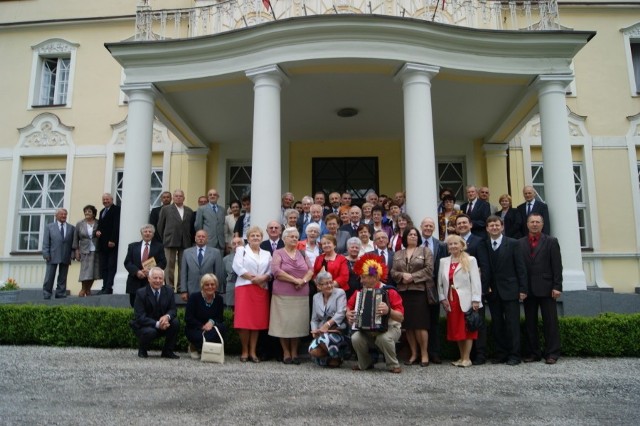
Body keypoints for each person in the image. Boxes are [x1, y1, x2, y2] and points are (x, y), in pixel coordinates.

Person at [480, 216, 527, 366]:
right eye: (491, 225)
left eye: (497, 225)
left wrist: (523, 288)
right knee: (497, 324)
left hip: (511, 289)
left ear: (502, 227)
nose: (494, 227)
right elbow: (485, 268)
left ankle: (514, 355)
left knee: (512, 324)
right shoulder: (484, 244)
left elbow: (521, 267)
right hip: (493, 292)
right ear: (487, 228)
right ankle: (501, 353)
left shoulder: (513, 243)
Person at [347, 253, 405, 374]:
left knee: (383, 338)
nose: (361, 281)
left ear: (374, 277)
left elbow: (400, 317)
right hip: (368, 330)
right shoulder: (360, 292)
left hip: (390, 328)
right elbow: (349, 306)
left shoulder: (390, 291)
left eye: (364, 277)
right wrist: (348, 313)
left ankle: (393, 365)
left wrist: (388, 311)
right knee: (356, 337)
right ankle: (365, 363)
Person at [519, 213, 562, 364]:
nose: (535, 224)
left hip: (547, 288)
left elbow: (557, 266)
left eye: (538, 222)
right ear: (527, 224)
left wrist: (557, 286)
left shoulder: (551, 241)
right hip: (528, 290)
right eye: (532, 222)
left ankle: (552, 353)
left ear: (542, 225)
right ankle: (533, 352)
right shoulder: (520, 243)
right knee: (530, 323)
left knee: (550, 322)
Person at [270, 227, 314, 364]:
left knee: (296, 324)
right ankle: (286, 352)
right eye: (292, 237)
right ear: (284, 239)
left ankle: (295, 353)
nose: (295, 239)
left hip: (301, 295)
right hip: (282, 295)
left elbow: (311, 270)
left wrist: (304, 280)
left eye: (296, 237)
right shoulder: (278, 253)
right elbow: (276, 271)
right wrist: (295, 280)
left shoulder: (302, 253)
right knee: (283, 324)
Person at [390, 227, 434, 367]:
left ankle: (424, 353)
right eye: (410, 234)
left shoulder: (425, 251)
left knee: (420, 325)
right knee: (408, 325)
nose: (413, 236)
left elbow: (429, 270)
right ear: (405, 237)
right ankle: (414, 353)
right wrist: (402, 276)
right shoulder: (398, 253)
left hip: (419, 291)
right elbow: (393, 271)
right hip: (403, 292)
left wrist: (413, 277)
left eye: (415, 234)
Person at [437, 235, 482, 368]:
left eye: (455, 244)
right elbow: (440, 283)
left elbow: (475, 281)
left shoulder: (470, 260)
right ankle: (461, 357)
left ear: (462, 245)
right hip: (451, 300)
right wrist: (442, 298)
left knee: (467, 329)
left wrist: (476, 300)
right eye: (450, 244)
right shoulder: (443, 261)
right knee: (456, 329)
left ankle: (467, 358)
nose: (452, 246)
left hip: (466, 299)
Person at [232, 226, 272, 363]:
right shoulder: (241, 250)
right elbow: (237, 267)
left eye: (258, 235)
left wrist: (263, 278)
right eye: (252, 235)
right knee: (244, 322)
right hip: (245, 288)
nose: (255, 237)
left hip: (261, 289)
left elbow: (271, 271)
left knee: (256, 322)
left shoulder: (267, 253)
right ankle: (244, 351)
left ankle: (253, 352)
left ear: (262, 238)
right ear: (248, 238)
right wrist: (255, 280)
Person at [455, 213, 490, 365]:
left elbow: (484, 266)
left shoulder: (478, 241)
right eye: (459, 223)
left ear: (470, 225)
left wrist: (480, 290)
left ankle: (480, 354)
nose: (462, 225)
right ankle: (466, 355)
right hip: (459, 292)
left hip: (474, 290)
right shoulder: (454, 242)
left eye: (464, 223)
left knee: (477, 322)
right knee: (463, 324)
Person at [130, 267, 180, 359]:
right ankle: (142, 349)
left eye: (160, 278)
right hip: (146, 325)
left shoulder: (169, 291)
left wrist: (167, 317)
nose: (158, 281)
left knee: (175, 322)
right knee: (151, 332)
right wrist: (157, 324)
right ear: (149, 279)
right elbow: (140, 317)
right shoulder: (141, 293)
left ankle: (167, 351)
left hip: (163, 323)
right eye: (155, 278)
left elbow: (173, 310)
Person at [420, 217, 448, 364]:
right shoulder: (415, 243)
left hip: (435, 288)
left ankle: (435, 353)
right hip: (418, 288)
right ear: (421, 227)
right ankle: (421, 352)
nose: (428, 228)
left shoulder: (441, 245)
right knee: (420, 322)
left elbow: (443, 268)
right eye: (426, 226)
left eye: (431, 226)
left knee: (434, 321)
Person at [308, 270, 348, 368]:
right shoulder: (315, 297)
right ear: (319, 286)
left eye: (331, 282)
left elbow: (341, 313)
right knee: (313, 351)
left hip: (337, 329)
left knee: (324, 340)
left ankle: (336, 357)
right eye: (326, 284)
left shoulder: (340, 293)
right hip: (321, 332)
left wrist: (327, 324)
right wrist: (315, 331)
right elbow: (314, 319)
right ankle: (333, 357)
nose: (330, 285)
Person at [157, 189, 194, 291]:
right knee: (169, 266)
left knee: (183, 266)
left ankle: (181, 287)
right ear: (173, 198)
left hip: (185, 241)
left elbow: (190, 227)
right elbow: (160, 226)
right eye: (176, 196)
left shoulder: (189, 211)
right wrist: (165, 236)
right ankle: (169, 287)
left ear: (184, 198)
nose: (178, 198)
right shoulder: (166, 209)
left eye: (180, 196)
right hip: (170, 240)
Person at [124, 224, 167, 307]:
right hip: (135, 282)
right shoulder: (132, 246)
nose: (147, 233)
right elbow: (127, 262)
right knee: (135, 308)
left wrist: (151, 272)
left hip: (151, 282)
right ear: (141, 233)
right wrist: (137, 271)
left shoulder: (159, 246)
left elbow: (163, 262)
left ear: (153, 234)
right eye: (145, 231)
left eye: (150, 232)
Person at [184, 273, 226, 360]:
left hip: (212, 328)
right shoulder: (194, 297)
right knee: (199, 336)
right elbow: (188, 318)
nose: (210, 287)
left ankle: (207, 348)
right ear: (202, 286)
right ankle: (193, 346)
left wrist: (211, 322)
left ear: (216, 286)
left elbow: (220, 318)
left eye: (212, 284)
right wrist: (202, 326)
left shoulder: (219, 299)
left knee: (223, 328)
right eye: (207, 285)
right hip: (196, 328)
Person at [180, 230, 225, 302]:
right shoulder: (186, 253)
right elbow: (183, 273)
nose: (201, 238)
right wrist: (183, 290)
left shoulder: (215, 252)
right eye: (199, 236)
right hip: (192, 290)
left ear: (207, 239)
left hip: (210, 290)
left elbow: (218, 273)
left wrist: (216, 290)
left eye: (203, 236)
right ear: (195, 238)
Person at [42, 208, 75, 299]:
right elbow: (46, 242)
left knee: (63, 277)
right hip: (52, 255)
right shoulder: (49, 227)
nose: (64, 216)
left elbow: (73, 243)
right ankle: (47, 293)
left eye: (65, 214)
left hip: (65, 255)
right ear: (56, 216)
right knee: (49, 276)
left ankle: (60, 293)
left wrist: (72, 254)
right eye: (61, 214)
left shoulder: (71, 228)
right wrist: (46, 254)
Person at [72, 204, 100, 297]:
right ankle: (83, 289)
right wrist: (76, 250)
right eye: (86, 211)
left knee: (93, 271)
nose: (87, 213)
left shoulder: (98, 222)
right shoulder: (80, 223)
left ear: (93, 213)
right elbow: (76, 238)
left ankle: (88, 289)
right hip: (84, 250)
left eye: (89, 211)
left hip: (96, 250)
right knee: (85, 271)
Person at [96, 193, 120, 295]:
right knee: (104, 267)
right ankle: (104, 286)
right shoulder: (102, 211)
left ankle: (109, 287)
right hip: (102, 244)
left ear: (112, 199)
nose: (105, 201)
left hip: (112, 244)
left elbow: (116, 225)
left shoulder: (116, 209)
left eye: (107, 199)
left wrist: (113, 240)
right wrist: (97, 231)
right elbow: (101, 225)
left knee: (111, 266)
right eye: (104, 199)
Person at [223, 236, 244, 309]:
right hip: (231, 289)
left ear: (243, 245)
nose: (236, 245)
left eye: (239, 243)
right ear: (231, 246)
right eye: (234, 244)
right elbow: (223, 276)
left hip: (244, 288)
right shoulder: (226, 259)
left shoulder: (248, 258)